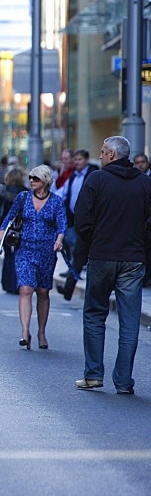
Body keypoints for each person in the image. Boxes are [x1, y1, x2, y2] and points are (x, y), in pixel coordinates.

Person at [72, 136, 151, 393]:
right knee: (129, 322)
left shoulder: (96, 179)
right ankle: (124, 381)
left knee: (95, 314)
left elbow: (81, 218)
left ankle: (94, 374)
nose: (101, 154)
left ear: (112, 155)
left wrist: (91, 240)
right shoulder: (144, 182)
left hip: (102, 255)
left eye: (104, 151)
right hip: (133, 258)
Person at [0, 165, 66, 352]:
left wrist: (59, 240)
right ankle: (25, 332)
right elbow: (8, 219)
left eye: (36, 178)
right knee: (25, 289)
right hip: (25, 250)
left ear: (46, 181)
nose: (32, 181)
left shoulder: (57, 202)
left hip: (46, 253)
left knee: (42, 292)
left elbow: (62, 226)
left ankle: (41, 332)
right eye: (31, 178)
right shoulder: (23, 197)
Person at [59, 149, 97, 279]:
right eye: (75, 159)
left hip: (88, 218)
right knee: (71, 243)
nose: (77, 162)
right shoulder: (73, 175)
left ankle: (76, 271)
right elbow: (65, 192)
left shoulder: (93, 174)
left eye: (79, 159)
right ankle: (73, 270)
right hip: (73, 216)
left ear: (86, 160)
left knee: (80, 247)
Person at [0, 166, 28, 294]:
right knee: (20, 257)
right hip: (22, 228)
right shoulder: (26, 194)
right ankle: (17, 283)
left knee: (8, 255)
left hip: (6, 228)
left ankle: (8, 283)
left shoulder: (2, 192)